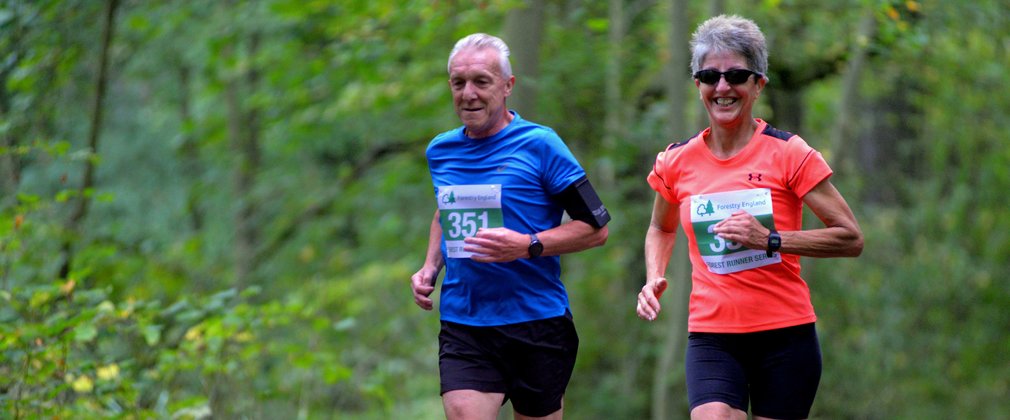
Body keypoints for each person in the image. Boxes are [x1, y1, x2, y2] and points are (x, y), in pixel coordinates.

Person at [635, 15, 863, 420]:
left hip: (785, 335)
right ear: (698, 86)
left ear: (758, 84)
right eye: (710, 76)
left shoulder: (789, 153)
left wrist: (770, 239)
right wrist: (654, 275)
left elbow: (849, 237)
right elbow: (660, 226)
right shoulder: (676, 161)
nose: (722, 87)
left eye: (736, 75)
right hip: (712, 336)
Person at [411, 33, 610, 420]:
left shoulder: (541, 145)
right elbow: (444, 211)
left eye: (481, 82)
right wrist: (429, 267)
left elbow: (596, 228)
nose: (468, 93)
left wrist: (527, 245)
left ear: (507, 86)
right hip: (464, 321)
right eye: (458, 83)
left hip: (536, 320)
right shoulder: (440, 150)